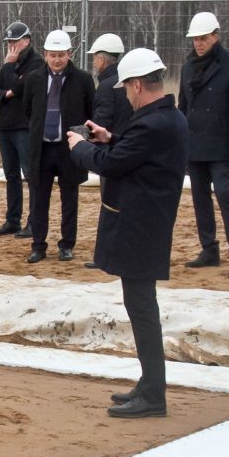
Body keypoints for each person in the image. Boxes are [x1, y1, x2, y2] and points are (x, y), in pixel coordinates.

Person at [66, 49, 186, 419]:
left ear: (136, 85)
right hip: (147, 224)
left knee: (142, 309)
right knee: (141, 306)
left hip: (140, 226)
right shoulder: (167, 117)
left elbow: (113, 165)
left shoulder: (151, 124)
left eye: (127, 88)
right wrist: (111, 137)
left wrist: (81, 148)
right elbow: (136, 154)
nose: (126, 95)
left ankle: (153, 394)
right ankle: (150, 385)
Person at [178, 11, 229, 279]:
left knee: (224, 193)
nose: (198, 43)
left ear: (215, 36)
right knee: (200, 197)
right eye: (195, 39)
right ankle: (209, 249)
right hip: (195, 142)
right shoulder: (188, 67)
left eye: (203, 38)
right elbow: (183, 106)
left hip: (220, 142)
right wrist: (179, 136)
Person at [22, 29, 95, 263]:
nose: (56, 60)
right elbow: (28, 110)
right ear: (45, 54)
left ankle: (67, 245)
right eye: (52, 55)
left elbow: (90, 112)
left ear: (69, 54)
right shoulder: (34, 79)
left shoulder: (82, 79)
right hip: (42, 149)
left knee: (70, 198)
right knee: (38, 199)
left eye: (61, 55)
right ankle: (38, 245)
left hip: (69, 149)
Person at [0, 21, 43, 237]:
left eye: (15, 41)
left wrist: (9, 69)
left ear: (26, 41)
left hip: (24, 127)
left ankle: (34, 222)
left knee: (31, 176)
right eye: (9, 42)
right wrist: (8, 93)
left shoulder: (37, 63)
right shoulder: (11, 64)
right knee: (11, 176)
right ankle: (13, 220)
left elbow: (22, 87)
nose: (11, 46)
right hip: (6, 127)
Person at [84, 33, 131, 268]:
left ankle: (109, 253)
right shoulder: (128, 81)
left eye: (95, 58)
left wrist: (87, 140)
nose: (94, 62)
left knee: (111, 205)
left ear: (102, 59)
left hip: (112, 150)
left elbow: (101, 121)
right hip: (130, 146)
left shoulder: (105, 86)